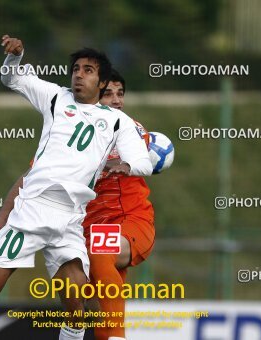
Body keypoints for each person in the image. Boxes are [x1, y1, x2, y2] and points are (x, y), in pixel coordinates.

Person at [0, 35, 153, 340]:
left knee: (77, 305)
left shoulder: (117, 122)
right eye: (76, 69)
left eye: (88, 70)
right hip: (31, 210)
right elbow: (12, 78)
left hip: (71, 220)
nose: (78, 74)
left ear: (102, 83)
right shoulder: (56, 98)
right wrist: (16, 57)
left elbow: (143, 162)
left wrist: (127, 165)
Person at [83, 69, 155, 340]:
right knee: (86, 304)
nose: (116, 100)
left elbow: (133, 149)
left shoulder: (129, 127)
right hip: (88, 229)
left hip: (131, 221)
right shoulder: (68, 130)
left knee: (100, 249)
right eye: (108, 94)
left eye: (120, 93)